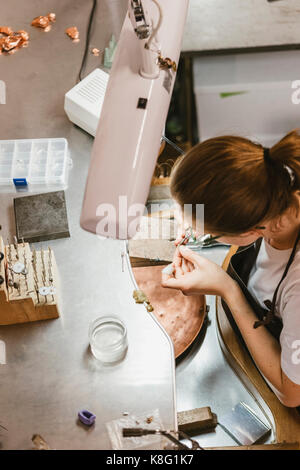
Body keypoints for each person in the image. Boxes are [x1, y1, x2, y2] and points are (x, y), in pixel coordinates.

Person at [161, 130, 300, 408]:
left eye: (210, 229)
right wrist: (195, 221)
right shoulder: (271, 175)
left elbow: (291, 393)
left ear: (251, 230)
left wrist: (228, 289)